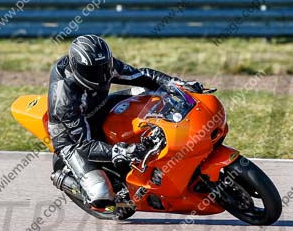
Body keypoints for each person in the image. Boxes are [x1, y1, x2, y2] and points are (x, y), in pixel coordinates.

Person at [47, 34, 202, 211]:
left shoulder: (104, 65)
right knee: (101, 195)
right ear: (76, 68)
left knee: (147, 93)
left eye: (104, 67)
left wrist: (176, 83)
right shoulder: (64, 99)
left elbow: (142, 76)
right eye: (93, 72)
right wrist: (121, 150)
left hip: (100, 108)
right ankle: (66, 180)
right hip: (71, 138)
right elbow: (84, 144)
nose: (101, 75)